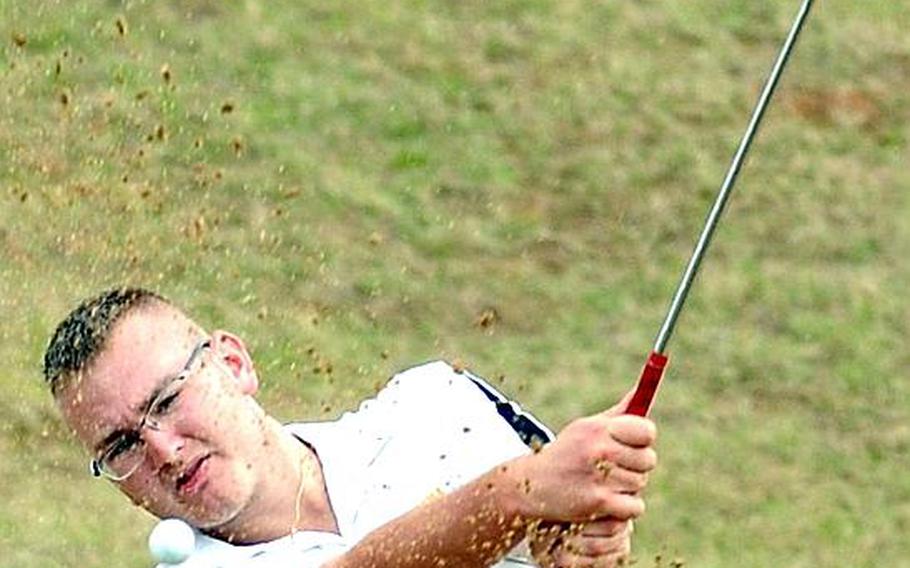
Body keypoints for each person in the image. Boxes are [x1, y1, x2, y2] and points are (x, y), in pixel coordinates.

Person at [43, 288, 659, 567]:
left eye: (169, 399)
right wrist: (516, 495)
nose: (164, 450)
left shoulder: (435, 402)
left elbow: (560, 531)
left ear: (233, 364)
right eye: (121, 445)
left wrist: (576, 542)